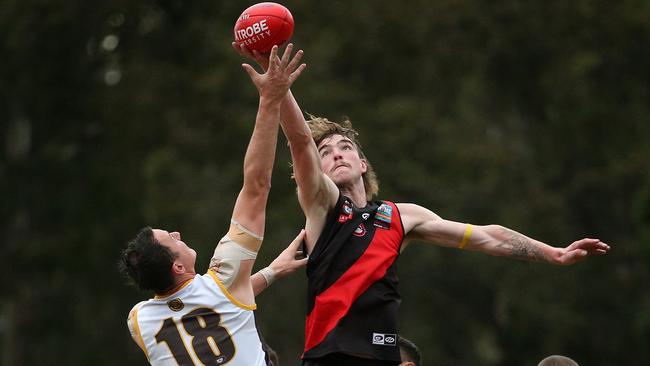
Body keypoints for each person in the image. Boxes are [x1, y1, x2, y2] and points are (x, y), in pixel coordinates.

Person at [233, 45, 611, 366]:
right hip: (330, 355)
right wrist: (279, 91)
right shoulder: (322, 205)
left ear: (363, 163)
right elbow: (300, 142)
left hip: (383, 355)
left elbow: (485, 237)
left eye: (345, 147)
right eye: (326, 153)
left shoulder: (402, 216)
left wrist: (554, 254)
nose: (336, 155)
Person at [119, 45, 307, 366]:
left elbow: (215, 308)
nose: (177, 233)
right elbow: (256, 187)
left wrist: (272, 272)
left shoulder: (139, 321)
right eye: (171, 239)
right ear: (177, 267)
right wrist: (270, 99)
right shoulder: (224, 282)